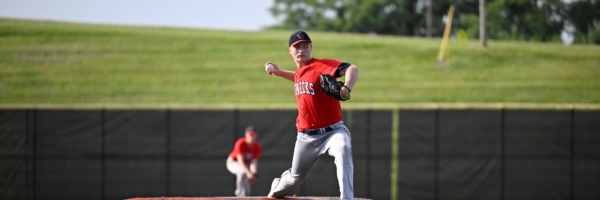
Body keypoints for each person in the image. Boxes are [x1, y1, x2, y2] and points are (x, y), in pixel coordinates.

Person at [264, 30, 359, 200]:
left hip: (333, 131)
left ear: (311, 48)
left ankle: (347, 198)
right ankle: (276, 186)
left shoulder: (321, 66)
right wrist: (279, 73)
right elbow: (299, 77)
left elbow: (353, 69)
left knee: (343, 149)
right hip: (306, 137)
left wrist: (345, 89)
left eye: (306, 46)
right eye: (297, 47)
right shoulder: (301, 72)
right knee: (294, 178)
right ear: (290, 51)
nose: (302, 50)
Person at [226, 126, 262, 197]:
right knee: (242, 172)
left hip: (243, 165)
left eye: (253, 135)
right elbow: (240, 162)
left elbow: (253, 162)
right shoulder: (240, 143)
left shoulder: (257, 146)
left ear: (256, 135)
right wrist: (248, 173)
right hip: (232, 162)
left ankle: (246, 195)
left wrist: (253, 172)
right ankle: (239, 194)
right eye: (250, 135)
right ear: (246, 135)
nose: (252, 137)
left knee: (246, 176)